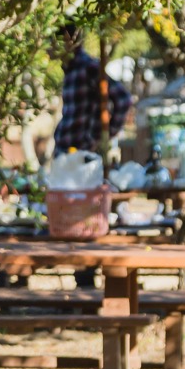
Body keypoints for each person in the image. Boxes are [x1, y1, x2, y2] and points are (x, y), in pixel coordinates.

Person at [54, 24, 131, 287]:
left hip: (82, 156)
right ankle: (80, 280)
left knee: (82, 217)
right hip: (66, 154)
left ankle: (85, 281)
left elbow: (122, 98)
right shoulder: (71, 70)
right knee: (65, 217)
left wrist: (101, 137)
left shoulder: (87, 67)